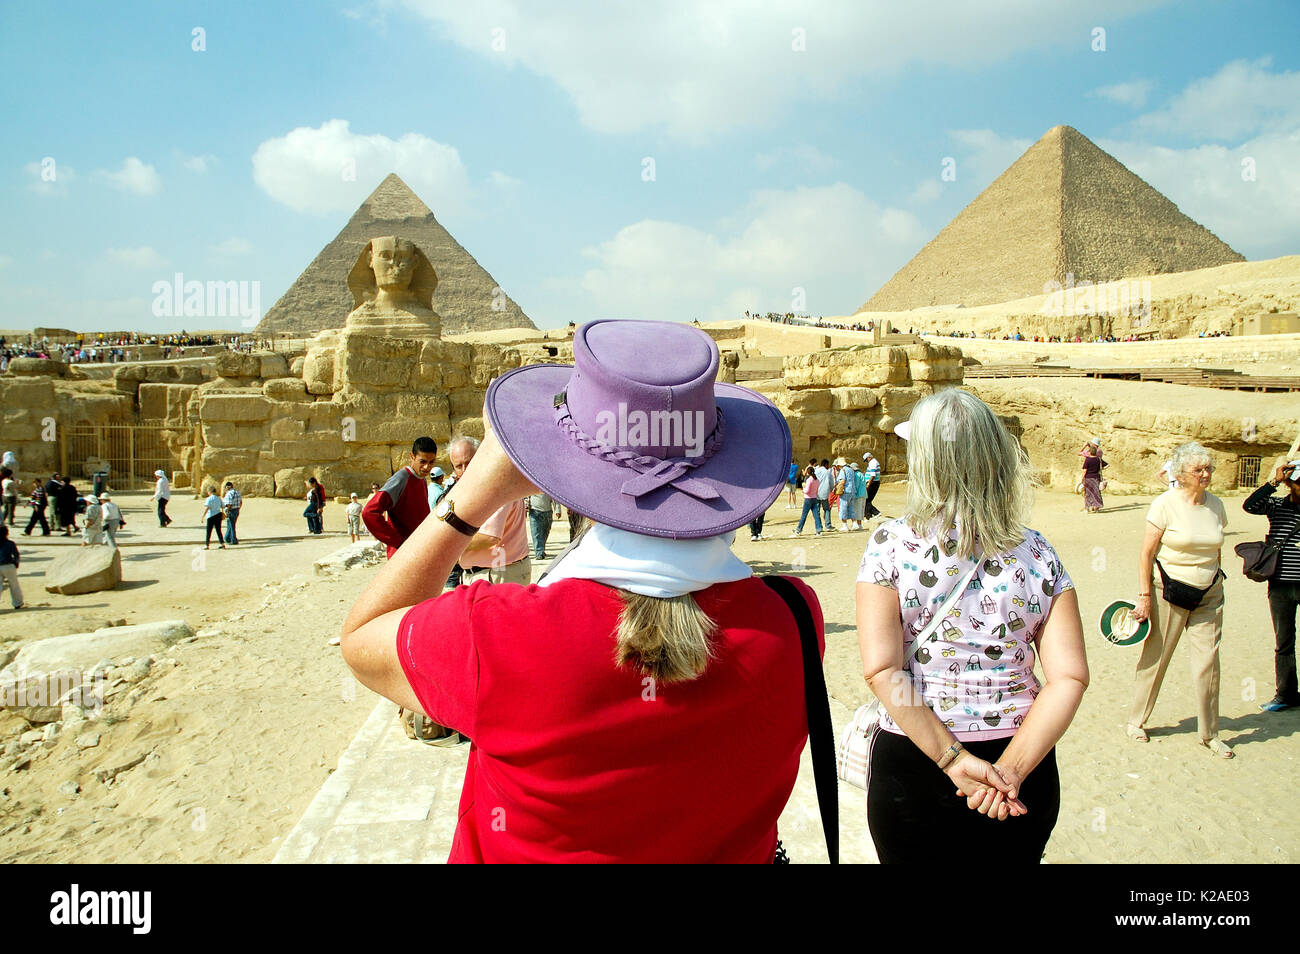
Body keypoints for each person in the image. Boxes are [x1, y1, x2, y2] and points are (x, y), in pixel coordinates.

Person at [338, 318, 820, 863]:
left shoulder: (494, 632)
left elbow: (360, 640)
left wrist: (469, 498)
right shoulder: (797, 619)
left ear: (560, 471)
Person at [857, 389, 1088, 864]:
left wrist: (954, 761)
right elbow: (1069, 677)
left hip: (917, 759)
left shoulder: (891, 543)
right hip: (1022, 763)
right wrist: (1011, 771)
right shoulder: (1039, 552)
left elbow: (883, 670)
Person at [1128, 442, 1233, 757]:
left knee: (1208, 665)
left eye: (1208, 468)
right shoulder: (1165, 504)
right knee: (1156, 658)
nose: (1206, 474)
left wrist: (1213, 577)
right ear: (1182, 474)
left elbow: (1216, 546)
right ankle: (1136, 721)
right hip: (1169, 592)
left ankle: (1210, 734)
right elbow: (1146, 553)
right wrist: (1145, 596)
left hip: (1210, 593)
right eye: (1198, 470)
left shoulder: (1216, 505)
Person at [1243, 460, 1300, 712]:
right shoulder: (1277, 506)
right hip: (1281, 584)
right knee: (1284, 642)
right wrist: (1273, 481)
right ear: (1290, 483)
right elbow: (1250, 505)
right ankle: (1286, 695)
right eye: (1298, 481)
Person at [447, 436, 531, 586]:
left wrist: (450, 543)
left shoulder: (495, 487)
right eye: (459, 466)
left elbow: (489, 537)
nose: (465, 470)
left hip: (498, 574)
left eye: (469, 462)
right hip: (487, 574)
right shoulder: (471, 490)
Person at [362, 437, 438, 558]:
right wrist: (398, 542)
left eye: (431, 462)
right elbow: (369, 513)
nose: (427, 467)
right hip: (402, 556)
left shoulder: (422, 480)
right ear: (412, 456)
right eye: (422, 461)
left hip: (418, 552)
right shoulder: (401, 478)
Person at [792, 463, 822, 536]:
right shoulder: (817, 480)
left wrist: (803, 490)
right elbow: (817, 490)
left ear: (808, 473)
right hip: (814, 498)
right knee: (816, 515)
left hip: (808, 499)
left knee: (804, 515)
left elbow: (807, 490)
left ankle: (798, 530)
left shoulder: (809, 480)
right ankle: (819, 530)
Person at [1079, 438, 1107, 513]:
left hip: (1088, 477)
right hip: (1096, 476)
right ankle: (1096, 507)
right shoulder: (1099, 454)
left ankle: (1087, 508)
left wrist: (1085, 446)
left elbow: (1080, 453)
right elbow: (1106, 465)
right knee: (1096, 492)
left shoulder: (1088, 457)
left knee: (1088, 493)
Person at [526, 490, 554, 562]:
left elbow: (555, 496)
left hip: (547, 511)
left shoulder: (548, 484)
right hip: (534, 511)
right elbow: (525, 496)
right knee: (536, 533)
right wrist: (525, 508)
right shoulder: (532, 482)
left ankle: (541, 549)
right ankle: (539, 552)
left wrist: (558, 510)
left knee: (545, 531)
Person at [0, 526, 23, 610]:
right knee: (14, 585)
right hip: (8, 565)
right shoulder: (10, 543)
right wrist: (16, 564)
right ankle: (17, 603)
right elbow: (16, 555)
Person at [835, 456, 857, 531]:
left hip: (846, 491)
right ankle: (854, 524)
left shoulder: (843, 470)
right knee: (851, 507)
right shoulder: (851, 470)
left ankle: (845, 526)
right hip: (852, 491)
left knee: (843, 508)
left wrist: (837, 487)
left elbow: (843, 481)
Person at [815, 457, 833, 530]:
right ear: (826, 465)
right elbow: (831, 483)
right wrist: (831, 490)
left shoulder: (816, 471)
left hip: (816, 493)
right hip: (824, 493)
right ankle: (828, 525)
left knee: (817, 511)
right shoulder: (827, 472)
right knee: (827, 509)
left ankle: (819, 527)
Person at [862, 452, 882, 519]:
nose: (866, 462)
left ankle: (876, 512)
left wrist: (868, 484)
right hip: (873, 482)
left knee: (866, 499)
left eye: (866, 460)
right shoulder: (873, 462)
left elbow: (872, 475)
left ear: (869, 457)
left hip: (872, 483)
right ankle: (868, 516)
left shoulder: (873, 463)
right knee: (868, 500)